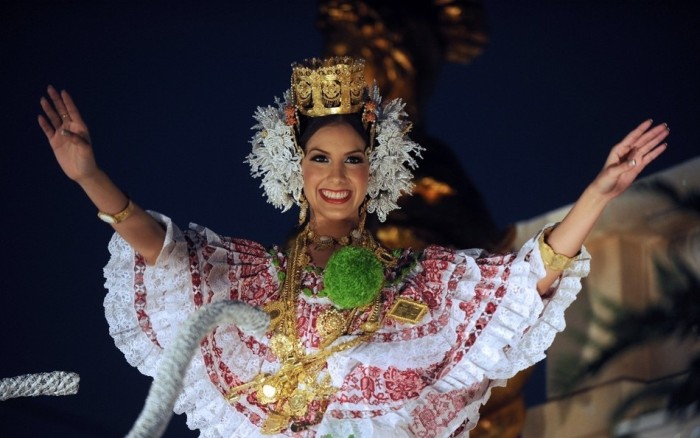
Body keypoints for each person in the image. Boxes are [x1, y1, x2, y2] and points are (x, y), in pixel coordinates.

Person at [38, 57, 668, 437]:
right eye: (320, 158)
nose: (336, 177)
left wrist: (597, 193)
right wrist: (89, 175)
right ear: (297, 170)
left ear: (376, 169)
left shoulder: (418, 282)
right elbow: (165, 255)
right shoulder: (256, 277)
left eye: (352, 159)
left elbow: (520, 285)